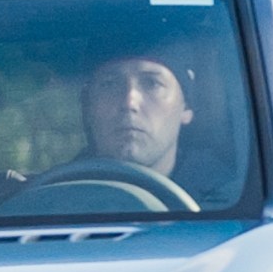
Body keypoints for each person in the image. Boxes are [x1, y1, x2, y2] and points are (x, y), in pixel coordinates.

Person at [81, 40, 232, 205]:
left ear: (186, 107)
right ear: (88, 108)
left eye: (151, 83)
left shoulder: (230, 199)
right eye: (109, 84)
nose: (129, 102)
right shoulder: (56, 199)